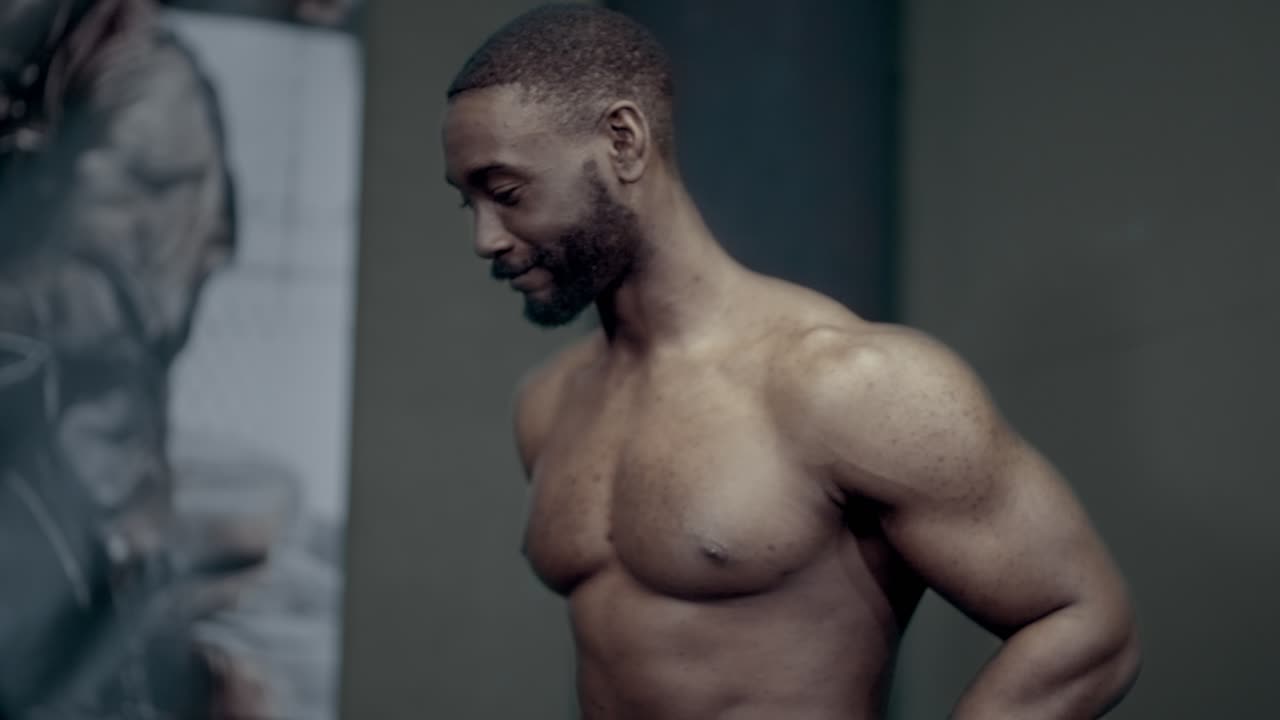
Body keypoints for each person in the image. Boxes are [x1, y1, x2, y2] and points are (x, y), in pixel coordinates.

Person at [442, 6, 1141, 719]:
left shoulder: (849, 385)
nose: (485, 239)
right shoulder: (549, 403)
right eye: (468, 203)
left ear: (624, 141)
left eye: (507, 194)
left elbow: (1086, 626)